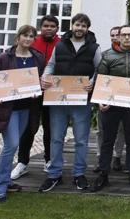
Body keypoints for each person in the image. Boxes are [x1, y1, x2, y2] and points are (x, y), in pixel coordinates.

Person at [39, 13, 101, 193]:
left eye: (83, 25)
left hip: (82, 101)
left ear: (87, 28)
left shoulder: (94, 47)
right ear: (72, 25)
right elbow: (51, 65)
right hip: (58, 99)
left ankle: (79, 174)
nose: (80, 28)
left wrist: (93, 81)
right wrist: (45, 77)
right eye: (77, 24)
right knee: (56, 138)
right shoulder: (60, 45)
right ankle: (54, 174)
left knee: (81, 140)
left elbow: (99, 68)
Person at [0, 25, 45, 204]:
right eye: (25, 35)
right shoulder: (5, 57)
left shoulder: (37, 58)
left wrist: (39, 89)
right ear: (17, 37)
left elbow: (38, 81)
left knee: (15, 144)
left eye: (31, 36)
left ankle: (7, 181)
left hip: (27, 109)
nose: (28, 39)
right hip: (8, 110)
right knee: (10, 145)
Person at [92, 25, 130, 192]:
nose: (126, 38)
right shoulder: (108, 55)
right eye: (123, 35)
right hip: (112, 104)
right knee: (107, 140)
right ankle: (103, 174)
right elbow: (100, 79)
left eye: (129, 35)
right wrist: (100, 101)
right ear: (118, 37)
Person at [11, 15, 60, 180]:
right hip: (31, 94)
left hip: (52, 93)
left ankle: (48, 160)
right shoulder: (33, 42)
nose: (49, 28)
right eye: (46, 25)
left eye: (52, 26)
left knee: (50, 129)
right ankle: (22, 162)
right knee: (28, 129)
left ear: (57, 29)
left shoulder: (60, 45)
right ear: (41, 27)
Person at [94, 26, 126, 174]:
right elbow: (99, 77)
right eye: (112, 35)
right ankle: (101, 157)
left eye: (117, 35)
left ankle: (117, 156)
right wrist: (100, 98)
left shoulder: (129, 55)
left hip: (122, 97)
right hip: (105, 96)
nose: (114, 37)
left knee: (121, 129)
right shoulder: (104, 54)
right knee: (101, 129)